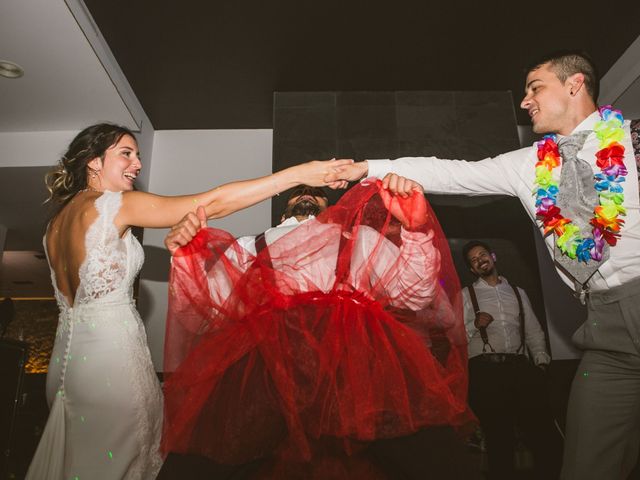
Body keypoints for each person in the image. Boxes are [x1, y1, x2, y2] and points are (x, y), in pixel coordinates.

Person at [330, 50, 640, 479]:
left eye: (535, 88)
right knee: (587, 465)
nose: (525, 101)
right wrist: (369, 167)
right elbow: (453, 173)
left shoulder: (633, 139)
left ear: (575, 85)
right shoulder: (529, 165)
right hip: (606, 332)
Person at [25, 123, 351, 480]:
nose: (137, 164)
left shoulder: (54, 225)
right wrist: (299, 174)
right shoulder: (113, 206)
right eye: (126, 153)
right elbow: (211, 203)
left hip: (65, 362)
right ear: (93, 163)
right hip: (109, 363)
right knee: (117, 463)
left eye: (137, 155)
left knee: (78, 461)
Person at [159, 181, 478, 479]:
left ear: (332, 206)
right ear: (283, 211)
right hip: (267, 369)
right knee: (213, 459)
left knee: (422, 456)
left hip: (355, 363)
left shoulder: (359, 238)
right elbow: (203, 314)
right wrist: (185, 258)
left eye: (316, 193)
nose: (306, 195)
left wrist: (417, 230)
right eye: (297, 193)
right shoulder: (249, 246)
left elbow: (415, 292)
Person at [462, 240, 560, 479]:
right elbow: (455, 336)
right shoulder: (466, 295)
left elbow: (533, 331)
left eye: (482, 254)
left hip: (519, 368)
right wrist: (473, 326)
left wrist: (541, 361)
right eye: (474, 260)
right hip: (485, 371)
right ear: (473, 269)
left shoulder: (518, 292)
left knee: (540, 433)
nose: (479, 260)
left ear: (493, 257)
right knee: (498, 437)